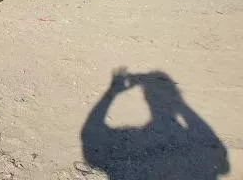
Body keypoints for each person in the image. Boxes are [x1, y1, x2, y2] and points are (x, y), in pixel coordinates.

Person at [81, 69, 229, 179]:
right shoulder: (201, 151)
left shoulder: (129, 140)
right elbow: (222, 164)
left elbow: (89, 134)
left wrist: (113, 91)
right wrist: (180, 103)